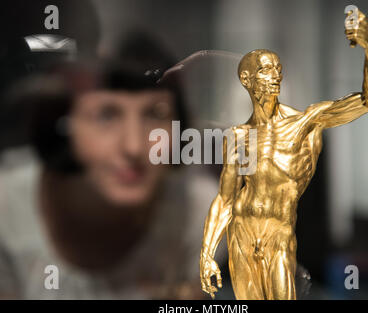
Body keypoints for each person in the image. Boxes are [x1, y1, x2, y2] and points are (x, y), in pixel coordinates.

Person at [0, 35, 218, 299]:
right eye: (107, 115)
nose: (134, 146)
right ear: (64, 127)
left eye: (154, 114)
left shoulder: (201, 212)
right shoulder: (8, 204)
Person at [200, 9, 368, 299]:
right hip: (242, 236)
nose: (276, 75)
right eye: (266, 69)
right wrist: (207, 254)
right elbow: (225, 199)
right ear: (247, 79)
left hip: (279, 236)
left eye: (278, 68)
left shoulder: (306, 122)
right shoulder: (238, 136)